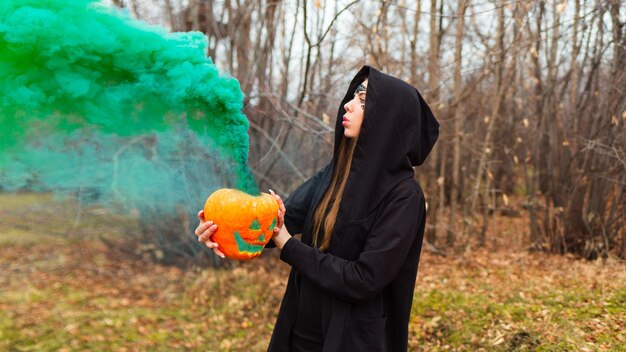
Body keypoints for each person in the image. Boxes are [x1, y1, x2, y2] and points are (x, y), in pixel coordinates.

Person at [195, 65, 439, 351]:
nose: (347, 104)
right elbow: (277, 224)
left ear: (388, 119)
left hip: (352, 341)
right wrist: (224, 228)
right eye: (352, 96)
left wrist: (289, 246)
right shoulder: (335, 172)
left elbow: (363, 280)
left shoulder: (404, 197)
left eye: (363, 101)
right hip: (300, 332)